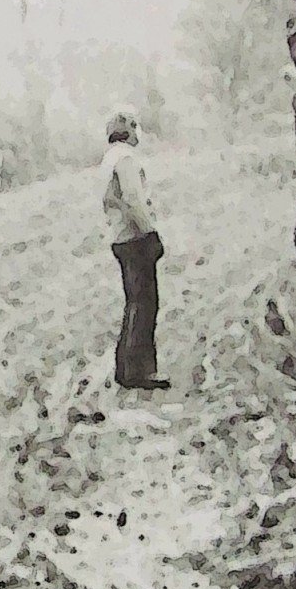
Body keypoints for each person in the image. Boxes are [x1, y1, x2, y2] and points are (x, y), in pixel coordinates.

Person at [102, 105, 170, 391]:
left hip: (119, 237)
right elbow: (133, 199)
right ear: (129, 129)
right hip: (134, 237)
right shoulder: (127, 158)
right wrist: (150, 232)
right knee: (144, 303)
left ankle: (125, 368)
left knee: (133, 302)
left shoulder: (108, 159)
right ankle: (139, 370)